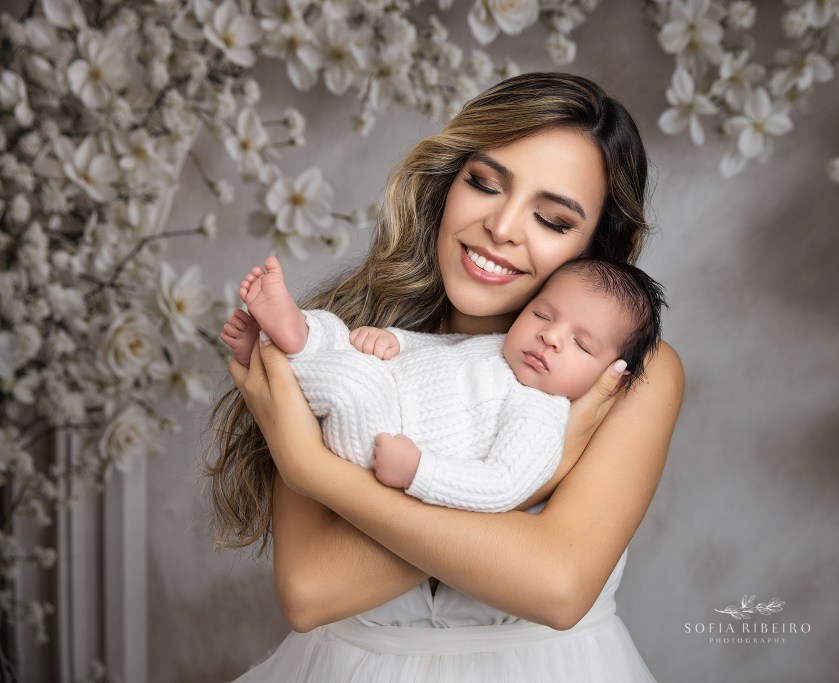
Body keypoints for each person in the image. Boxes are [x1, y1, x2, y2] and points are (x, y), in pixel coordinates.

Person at [206, 71, 685, 682]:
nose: (503, 226)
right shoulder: (346, 343)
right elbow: (310, 592)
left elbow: (559, 588)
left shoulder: (627, 376)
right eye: (484, 183)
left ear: (596, 247)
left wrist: (313, 468)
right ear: (446, 183)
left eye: (554, 220)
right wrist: (548, 472)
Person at [220, 255, 666, 512]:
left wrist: (419, 471)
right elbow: (442, 349)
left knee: (351, 383)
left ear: (611, 374)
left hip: (384, 442)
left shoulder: (539, 414)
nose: (550, 336)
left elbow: (503, 485)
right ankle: (287, 335)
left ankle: (279, 349)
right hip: (388, 387)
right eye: (543, 315)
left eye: (580, 344)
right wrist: (394, 341)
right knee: (338, 335)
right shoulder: (498, 347)